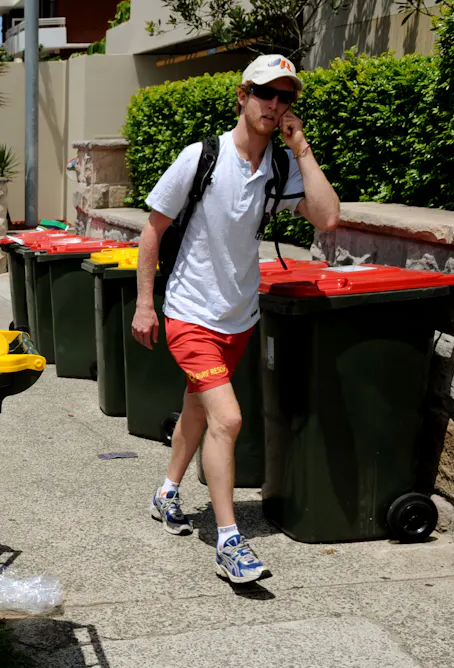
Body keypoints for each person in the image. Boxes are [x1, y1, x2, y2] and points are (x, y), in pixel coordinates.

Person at [132, 55, 341, 584]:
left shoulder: (281, 165)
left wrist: (303, 148)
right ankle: (230, 543)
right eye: (265, 94)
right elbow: (153, 231)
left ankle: (166, 492)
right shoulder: (201, 157)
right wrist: (143, 303)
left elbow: (327, 217)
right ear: (242, 96)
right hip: (189, 312)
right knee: (227, 418)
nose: (275, 105)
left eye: (284, 97)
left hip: (239, 316)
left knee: (198, 412)